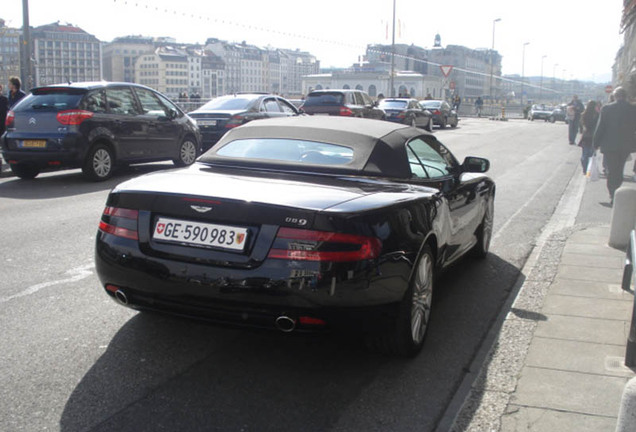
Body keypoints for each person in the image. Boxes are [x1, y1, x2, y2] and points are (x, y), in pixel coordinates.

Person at [593, 86, 636, 205]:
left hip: (609, 145)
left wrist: (595, 143)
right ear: (625, 96)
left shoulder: (607, 108)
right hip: (626, 145)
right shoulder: (632, 109)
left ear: (615, 96)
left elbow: (600, 127)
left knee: (612, 170)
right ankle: (616, 190)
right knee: (619, 168)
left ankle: (613, 194)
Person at [578, 100, 599, 175]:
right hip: (593, 137)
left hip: (585, 136)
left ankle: (585, 168)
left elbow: (581, 126)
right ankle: (588, 169)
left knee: (585, 153)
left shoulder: (584, 114)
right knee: (591, 154)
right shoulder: (597, 115)